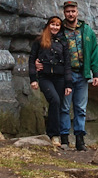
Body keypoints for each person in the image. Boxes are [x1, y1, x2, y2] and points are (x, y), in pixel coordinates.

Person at [58, 0, 98, 151]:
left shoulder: (87, 30)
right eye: (68, 11)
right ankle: (64, 139)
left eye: (73, 11)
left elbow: (94, 52)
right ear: (64, 13)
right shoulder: (59, 30)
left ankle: (80, 140)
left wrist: (96, 74)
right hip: (66, 76)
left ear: (77, 12)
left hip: (82, 75)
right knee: (64, 107)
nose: (70, 14)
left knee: (80, 108)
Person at [28, 14, 71, 149]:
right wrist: (33, 79)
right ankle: (54, 135)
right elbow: (31, 59)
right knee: (55, 100)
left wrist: (68, 83)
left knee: (57, 105)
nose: (55, 27)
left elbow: (67, 64)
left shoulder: (64, 42)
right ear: (48, 25)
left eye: (57, 25)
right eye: (53, 24)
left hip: (60, 77)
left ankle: (52, 134)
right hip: (45, 77)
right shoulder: (40, 40)